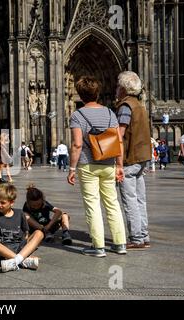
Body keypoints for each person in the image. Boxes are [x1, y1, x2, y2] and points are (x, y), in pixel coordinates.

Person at [68, 76, 127, 257]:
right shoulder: (110, 113)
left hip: (87, 164)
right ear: (97, 92)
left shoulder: (77, 115)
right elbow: (119, 141)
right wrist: (119, 165)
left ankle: (98, 246)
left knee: (92, 204)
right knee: (112, 203)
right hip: (108, 162)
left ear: (81, 94)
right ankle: (120, 244)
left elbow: (77, 144)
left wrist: (71, 168)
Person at [115, 71, 152, 250]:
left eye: (117, 86)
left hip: (130, 159)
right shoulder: (140, 105)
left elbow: (119, 136)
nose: (116, 89)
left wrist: (118, 164)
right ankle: (144, 236)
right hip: (142, 157)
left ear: (123, 88)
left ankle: (136, 238)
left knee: (130, 200)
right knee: (140, 200)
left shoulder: (125, 106)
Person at [0, 184, 44, 272]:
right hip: (1, 249)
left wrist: (27, 248)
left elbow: (26, 234)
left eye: (3, 202)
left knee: (39, 233)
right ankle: (23, 261)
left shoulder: (20, 213)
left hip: (19, 247)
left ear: (12, 202)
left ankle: (16, 261)